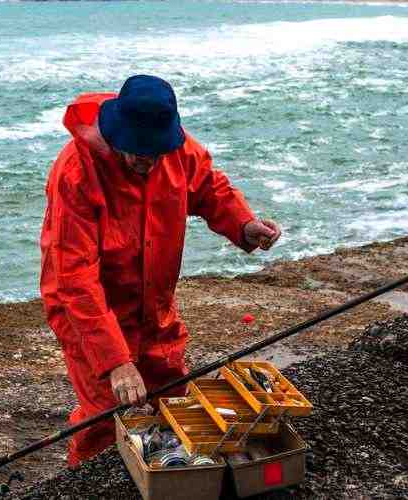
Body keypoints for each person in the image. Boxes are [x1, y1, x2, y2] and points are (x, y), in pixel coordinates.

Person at [39, 75, 282, 468]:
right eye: (137, 151)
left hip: (154, 306)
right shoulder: (75, 173)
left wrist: (243, 224)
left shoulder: (176, 149)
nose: (147, 161)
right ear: (116, 133)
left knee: (172, 397)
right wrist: (115, 361)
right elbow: (75, 278)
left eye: (155, 152)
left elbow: (209, 189)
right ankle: (81, 481)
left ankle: (167, 477)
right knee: (106, 414)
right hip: (90, 314)